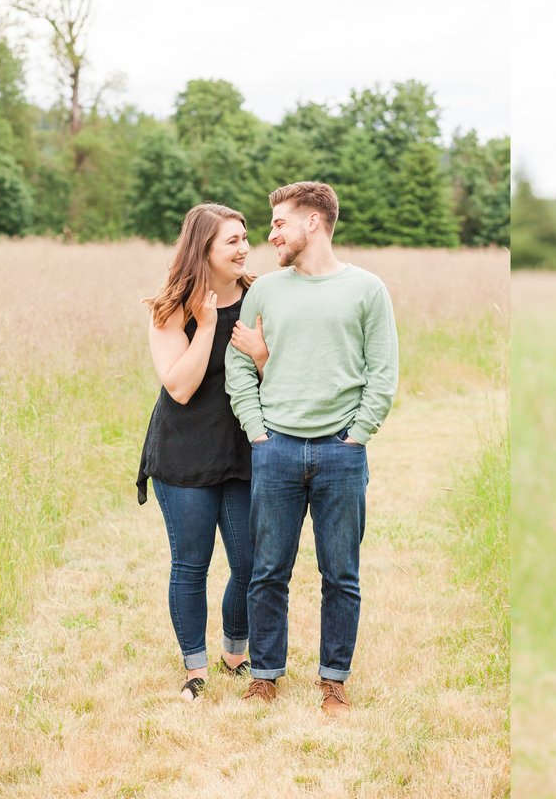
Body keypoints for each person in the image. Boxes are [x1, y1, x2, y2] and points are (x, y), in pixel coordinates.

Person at [225, 181, 398, 714]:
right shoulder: (265, 292)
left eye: (279, 222)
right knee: (268, 570)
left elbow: (382, 374)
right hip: (274, 447)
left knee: (340, 573)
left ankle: (333, 679)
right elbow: (238, 365)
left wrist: (357, 436)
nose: (271, 233)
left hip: (341, 454)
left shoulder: (367, 289)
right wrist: (256, 431)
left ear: (313, 223)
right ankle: (266, 675)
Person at [137, 203, 268, 701]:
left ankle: (237, 652)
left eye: (245, 237)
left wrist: (261, 354)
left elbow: (280, 375)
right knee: (191, 565)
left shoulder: (262, 297)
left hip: (243, 451)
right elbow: (180, 388)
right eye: (232, 240)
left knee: (251, 564)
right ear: (204, 249)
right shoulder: (171, 308)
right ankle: (195, 668)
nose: (245, 248)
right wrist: (209, 325)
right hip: (184, 455)